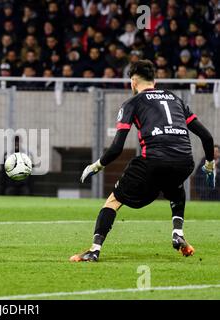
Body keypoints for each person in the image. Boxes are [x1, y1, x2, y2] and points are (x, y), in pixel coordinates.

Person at [70, 60, 216, 262]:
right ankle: (178, 234)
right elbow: (207, 138)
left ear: (132, 82)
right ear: (154, 81)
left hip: (153, 162)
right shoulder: (175, 99)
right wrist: (209, 166)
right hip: (185, 161)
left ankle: (94, 250)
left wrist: (97, 166)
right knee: (175, 186)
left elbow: (117, 148)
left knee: (114, 200)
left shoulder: (133, 102)